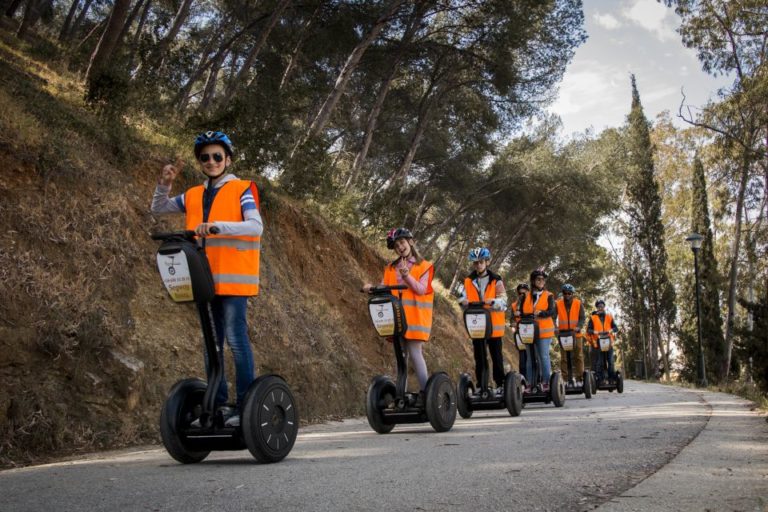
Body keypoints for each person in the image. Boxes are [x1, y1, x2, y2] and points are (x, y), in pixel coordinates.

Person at [151, 130, 262, 427]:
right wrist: (164, 184)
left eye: (217, 156)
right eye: (205, 157)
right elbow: (158, 208)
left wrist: (216, 228)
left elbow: (255, 227)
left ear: (227, 159)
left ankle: (244, 408)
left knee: (236, 341)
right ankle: (218, 405)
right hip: (204, 280)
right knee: (211, 344)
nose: (211, 161)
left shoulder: (243, 189)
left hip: (235, 281)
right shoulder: (193, 195)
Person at [362, 228, 435, 405]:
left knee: (415, 353)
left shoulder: (424, 266)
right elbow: (384, 287)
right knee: (400, 356)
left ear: (410, 242)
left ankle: (427, 396)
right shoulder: (390, 268)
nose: (400, 247)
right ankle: (400, 396)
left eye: (402, 242)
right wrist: (371, 288)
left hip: (415, 319)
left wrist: (406, 275)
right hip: (395, 318)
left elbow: (420, 289)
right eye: (396, 245)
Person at [458, 247, 508, 394]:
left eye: (481, 262)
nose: (478, 265)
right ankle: (482, 386)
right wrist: (463, 302)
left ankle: (500, 384)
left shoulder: (496, 280)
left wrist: (494, 302)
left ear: (487, 262)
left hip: (493, 325)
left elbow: (504, 300)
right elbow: (461, 297)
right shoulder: (468, 280)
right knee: (479, 357)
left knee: (496, 356)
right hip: (477, 323)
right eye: (475, 263)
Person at [519, 269, 556, 391]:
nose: (541, 281)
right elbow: (522, 311)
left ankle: (546, 382)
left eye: (542, 280)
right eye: (538, 279)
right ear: (533, 281)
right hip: (529, 330)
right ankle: (530, 383)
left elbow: (552, 311)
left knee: (543, 356)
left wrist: (542, 313)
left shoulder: (548, 295)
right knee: (530, 358)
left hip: (544, 331)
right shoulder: (526, 296)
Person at [555, 283, 586, 385]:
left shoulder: (578, 303)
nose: (567, 295)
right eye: (565, 293)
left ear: (572, 294)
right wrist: (555, 327)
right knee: (564, 358)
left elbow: (582, 318)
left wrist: (579, 326)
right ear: (563, 293)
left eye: (569, 293)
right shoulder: (558, 303)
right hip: (563, 334)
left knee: (578, 356)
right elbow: (553, 317)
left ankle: (579, 379)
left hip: (575, 334)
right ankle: (565, 379)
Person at [586, 299, 620, 384]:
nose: (600, 308)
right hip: (598, 342)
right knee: (600, 362)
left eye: (602, 306)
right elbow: (588, 330)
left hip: (608, 341)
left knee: (611, 361)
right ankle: (600, 379)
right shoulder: (593, 318)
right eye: (598, 306)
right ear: (596, 308)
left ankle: (611, 378)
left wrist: (610, 330)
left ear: (604, 307)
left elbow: (616, 328)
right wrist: (595, 332)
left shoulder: (609, 316)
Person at [511, 283, 529, 375]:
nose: (522, 295)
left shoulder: (532, 303)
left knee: (532, 357)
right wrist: (513, 323)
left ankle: (536, 380)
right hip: (519, 333)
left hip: (531, 332)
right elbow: (512, 319)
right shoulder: (514, 305)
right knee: (522, 357)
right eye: (520, 293)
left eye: (524, 293)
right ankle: (523, 378)